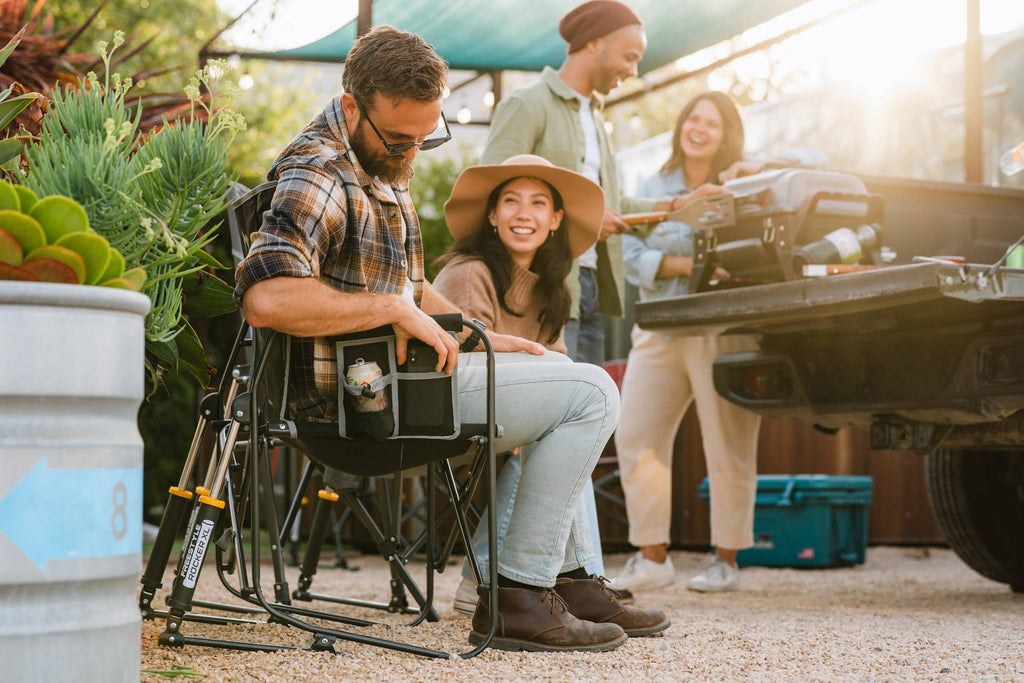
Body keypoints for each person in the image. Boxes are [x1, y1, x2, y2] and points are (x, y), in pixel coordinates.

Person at [234, 25, 659, 653]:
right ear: (352, 107)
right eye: (401, 139)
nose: (413, 153)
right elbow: (265, 298)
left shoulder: (378, 154)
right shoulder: (320, 172)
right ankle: (517, 594)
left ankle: (562, 581)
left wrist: (484, 335)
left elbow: (413, 283)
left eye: (426, 136)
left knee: (568, 379)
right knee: (591, 393)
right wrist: (391, 310)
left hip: (408, 380)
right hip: (361, 401)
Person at [478, 0, 691, 582]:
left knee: (576, 435)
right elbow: (494, 198)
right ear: (594, 44)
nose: (633, 69)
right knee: (542, 436)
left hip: (592, 290)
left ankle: (526, 578)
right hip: (544, 291)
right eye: (629, 55)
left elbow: (605, 212)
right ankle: (528, 578)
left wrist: (672, 206)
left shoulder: (597, 118)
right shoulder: (528, 105)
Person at [433, 156, 663, 634]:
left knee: (563, 426)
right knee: (572, 408)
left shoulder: (552, 289)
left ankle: (548, 580)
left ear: (556, 220)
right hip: (444, 405)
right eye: (511, 201)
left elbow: (554, 373)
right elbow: (456, 357)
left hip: (505, 418)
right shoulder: (468, 271)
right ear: (492, 215)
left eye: (539, 203)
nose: (524, 213)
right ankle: (534, 580)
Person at [609, 92, 826, 594]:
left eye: (712, 122)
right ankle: (652, 559)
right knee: (637, 437)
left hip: (723, 328)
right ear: (681, 126)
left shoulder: (748, 182)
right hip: (661, 326)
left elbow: (819, 162)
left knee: (727, 444)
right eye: (692, 118)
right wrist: (685, 266)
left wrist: (759, 164)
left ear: (728, 134)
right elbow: (628, 244)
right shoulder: (654, 186)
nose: (699, 127)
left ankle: (725, 560)